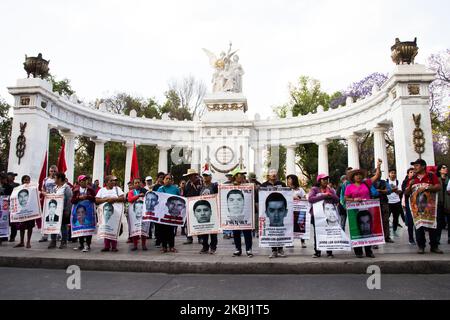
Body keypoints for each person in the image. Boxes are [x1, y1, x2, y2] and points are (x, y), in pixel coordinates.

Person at [344, 159, 382, 258]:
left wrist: (378, 166)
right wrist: (354, 199)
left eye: (360, 174)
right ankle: (358, 251)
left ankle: (369, 251)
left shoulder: (366, 183)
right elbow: (346, 198)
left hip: (367, 211)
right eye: (356, 174)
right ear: (353, 177)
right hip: (355, 212)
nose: (358, 176)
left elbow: (377, 176)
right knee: (356, 230)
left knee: (367, 230)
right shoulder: (349, 187)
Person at [405, 159, 442, 254]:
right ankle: (421, 246)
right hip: (417, 209)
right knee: (419, 226)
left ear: (423, 166)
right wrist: (410, 185)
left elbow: (438, 187)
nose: (415, 168)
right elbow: (406, 193)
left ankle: (434, 246)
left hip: (430, 208)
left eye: (417, 165)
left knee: (432, 226)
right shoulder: (412, 178)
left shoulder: (431, 176)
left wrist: (426, 187)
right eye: (414, 166)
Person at [308, 173, 340, 258]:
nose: (325, 181)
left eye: (326, 179)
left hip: (329, 215)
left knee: (329, 233)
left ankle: (329, 252)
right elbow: (310, 199)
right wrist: (324, 195)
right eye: (323, 179)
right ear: (319, 180)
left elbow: (337, 200)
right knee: (317, 232)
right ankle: (317, 251)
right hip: (317, 215)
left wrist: (331, 195)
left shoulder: (331, 189)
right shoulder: (314, 189)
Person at [228, 168, 253, 257]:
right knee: (236, 232)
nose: (242, 176)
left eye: (243, 175)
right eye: (240, 175)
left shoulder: (249, 186)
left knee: (247, 232)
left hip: (246, 214)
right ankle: (238, 249)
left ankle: (248, 249)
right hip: (234, 215)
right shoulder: (228, 186)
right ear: (235, 176)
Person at [96, 175, 125, 252]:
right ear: (106, 182)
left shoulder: (117, 189)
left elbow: (123, 198)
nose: (113, 182)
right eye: (111, 180)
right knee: (106, 228)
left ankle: (114, 246)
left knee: (114, 228)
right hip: (105, 214)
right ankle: (106, 246)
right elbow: (97, 200)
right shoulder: (102, 190)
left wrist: (114, 199)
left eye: (114, 181)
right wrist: (106, 200)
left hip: (115, 214)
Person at [46, 172, 73, 249]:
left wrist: (67, 211)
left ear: (60, 179)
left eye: (55, 178)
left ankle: (64, 242)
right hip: (55, 211)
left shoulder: (66, 188)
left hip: (63, 211)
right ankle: (53, 241)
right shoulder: (55, 188)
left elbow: (69, 200)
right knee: (53, 225)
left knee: (63, 227)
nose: (54, 179)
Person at [71, 175, 96, 252]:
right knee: (80, 227)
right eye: (82, 181)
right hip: (78, 212)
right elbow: (72, 201)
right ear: (79, 182)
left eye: (85, 180)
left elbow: (95, 199)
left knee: (88, 228)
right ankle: (81, 245)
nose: (84, 182)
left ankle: (88, 245)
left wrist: (88, 196)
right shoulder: (75, 190)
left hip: (88, 212)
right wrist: (79, 198)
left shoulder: (90, 189)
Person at [157, 174, 180, 253]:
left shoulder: (176, 189)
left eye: (170, 179)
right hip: (163, 213)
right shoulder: (160, 189)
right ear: (163, 180)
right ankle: (164, 247)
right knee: (163, 230)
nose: (168, 180)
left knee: (171, 230)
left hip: (172, 213)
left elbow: (179, 199)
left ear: (172, 180)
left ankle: (172, 246)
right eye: (166, 178)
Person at [13, 175, 35, 249]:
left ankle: (28, 242)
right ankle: (22, 241)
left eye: (28, 180)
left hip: (30, 212)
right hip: (21, 211)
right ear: (22, 181)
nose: (27, 181)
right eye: (25, 180)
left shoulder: (32, 189)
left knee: (30, 227)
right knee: (21, 227)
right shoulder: (18, 189)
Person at [371, 174, 394, 244]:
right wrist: (382, 191)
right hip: (373, 203)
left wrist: (380, 191)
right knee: (374, 221)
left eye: (380, 174)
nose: (379, 175)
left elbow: (389, 190)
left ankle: (386, 237)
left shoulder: (384, 182)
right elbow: (373, 193)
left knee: (385, 220)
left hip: (384, 202)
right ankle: (375, 238)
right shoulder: (370, 182)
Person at [38, 165, 58, 243]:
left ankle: (57, 234)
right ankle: (45, 235)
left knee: (56, 217)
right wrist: (45, 193)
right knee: (45, 217)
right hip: (47, 201)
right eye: (51, 171)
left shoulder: (58, 179)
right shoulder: (45, 179)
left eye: (54, 171)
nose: (53, 173)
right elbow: (42, 189)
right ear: (49, 171)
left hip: (56, 200)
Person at [286, 174, 307, 248]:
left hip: (299, 210)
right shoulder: (286, 189)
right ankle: (290, 242)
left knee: (301, 225)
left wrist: (299, 198)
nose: (288, 180)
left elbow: (305, 198)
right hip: (290, 210)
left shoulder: (300, 189)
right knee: (290, 226)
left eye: (290, 179)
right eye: (288, 179)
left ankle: (303, 242)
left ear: (294, 180)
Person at [182, 169, 202, 245]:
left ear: (195, 175)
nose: (190, 177)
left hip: (198, 204)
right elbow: (184, 195)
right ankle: (189, 238)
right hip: (189, 205)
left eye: (191, 175)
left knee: (198, 221)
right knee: (188, 222)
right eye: (189, 176)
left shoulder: (200, 182)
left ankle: (200, 238)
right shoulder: (187, 184)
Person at [127, 178, 148, 251]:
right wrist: (138, 196)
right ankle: (135, 245)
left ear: (141, 183)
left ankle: (144, 244)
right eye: (135, 183)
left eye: (138, 182)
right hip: (134, 214)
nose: (137, 184)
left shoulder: (145, 191)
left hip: (143, 213)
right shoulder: (131, 192)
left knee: (143, 228)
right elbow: (130, 199)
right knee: (134, 228)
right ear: (133, 184)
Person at [387, 169, 406, 238]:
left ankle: (394, 231)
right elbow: (385, 191)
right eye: (391, 173)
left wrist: (394, 190)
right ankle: (386, 233)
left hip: (397, 202)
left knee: (396, 218)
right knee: (386, 217)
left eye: (394, 173)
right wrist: (392, 189)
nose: (393, 174)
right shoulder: (386, 182)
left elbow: (400, 192)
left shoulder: (398, 182)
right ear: (389, 174)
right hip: (388, 202)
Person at [401, 167, 416, 244]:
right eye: (411, 172)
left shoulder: (418, 180)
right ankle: (411, 238)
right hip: (409, 203)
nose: (413, 173)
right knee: (410, 221)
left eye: (414, 172)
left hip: (417, 204)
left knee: (417, 222)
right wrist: (410, 185)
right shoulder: (405, 182)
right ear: (408, 174)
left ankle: (419, 238)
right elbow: (405, 192)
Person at [436, 164, 449, 245]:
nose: (445, 169)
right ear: (439, 170)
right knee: (439, 223)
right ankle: (437, 239)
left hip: (448, 204)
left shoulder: (449, 179)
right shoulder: (437, 180)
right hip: (439, 204)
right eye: (443, 168)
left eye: (446, 168)